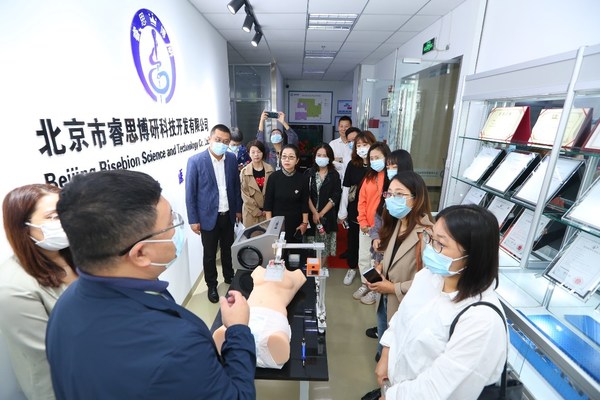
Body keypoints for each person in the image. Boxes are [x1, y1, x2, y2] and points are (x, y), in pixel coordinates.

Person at [46, 170, 256, 399]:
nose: (176, 229)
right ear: (141, 253)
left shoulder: (64, 307)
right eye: (170, 224)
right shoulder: (177, 345)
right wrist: (237, 330)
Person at [375, 204, 507, 399]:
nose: (429, 249)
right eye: (431, 238)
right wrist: (386, 353)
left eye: (441, 244)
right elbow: (401, 318)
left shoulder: (482, 320)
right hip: (396, 386)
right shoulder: (428, 277)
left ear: (473, 256)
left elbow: (440, 388)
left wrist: (392, 396)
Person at [0, 184, 76, 400]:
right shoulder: (13, 287)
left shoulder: (78, 255)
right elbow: (45, 360)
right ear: (23, 228)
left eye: (65, 212)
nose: (64, 221)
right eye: (53, 216)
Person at [367, 171, 434, 362]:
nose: (391, 199)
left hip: (403, 303)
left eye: (399, 194)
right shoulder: (397, 223)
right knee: (384, 342)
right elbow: (395, 256)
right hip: (385, 301)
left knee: (397, 352)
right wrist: (381, 268)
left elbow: (430, 282)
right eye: (389, 193)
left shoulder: (427, 235)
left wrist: (393, 288)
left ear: (416, 198)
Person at [186, 124, 243, 303]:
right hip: (207, 216)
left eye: (226, 142)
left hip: (228, 213)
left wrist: (238, 209)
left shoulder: (231, 158)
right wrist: (193, 219)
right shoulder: (196, 161)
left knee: (228, 248)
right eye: (218, 140)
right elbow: (190, 193)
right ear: (209, 139)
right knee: (210, 254)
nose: (222, 144)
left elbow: (235, 186)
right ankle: (211, 285)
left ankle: (229, 276)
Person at [365, 149, 416, 340]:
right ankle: (382, 332)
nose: (390, 170)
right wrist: (375, 237)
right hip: (383, 252)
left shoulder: (410, 201)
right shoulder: (389, 191)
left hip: (399, 271)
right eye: (388, 166)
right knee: (383, 305)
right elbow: (378, 218)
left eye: (394, 166)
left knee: (395, 316)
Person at [213, 265, 306, 369]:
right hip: (248, 313)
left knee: (278, 338)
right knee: (229, 329)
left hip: (274, 318)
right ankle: (227, 338)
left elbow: (302, 278)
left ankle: (276, 345)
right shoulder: (259, 270)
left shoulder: (295, 274)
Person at [354, 142, 391, 305]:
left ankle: (376, 289)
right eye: (372, 158)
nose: (374, 161)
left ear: (386, 157)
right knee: (363, 257)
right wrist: (362, 221)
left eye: (378, 157)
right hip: (365, 226)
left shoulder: (391, 178)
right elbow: (361, 200)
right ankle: (365, 284)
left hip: (382, 228)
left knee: (377, 260)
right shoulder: (368, 176)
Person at [338, 130, 376, 286]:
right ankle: (352, 268)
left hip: (373, 214)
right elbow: (346, 189)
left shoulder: (377, 166)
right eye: (358, 145)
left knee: (371, 248)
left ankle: (369, 278)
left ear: (373, 145)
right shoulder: (353, 165)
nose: (361, 148)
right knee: (353, 242)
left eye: (365, 144)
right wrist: (343, 211)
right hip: (356, 211)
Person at [305, 143, 342, 268]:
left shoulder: (334, 175)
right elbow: (306, 195)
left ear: (330, 157)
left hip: (327, 215)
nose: (321, 158)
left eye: (324, 155)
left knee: (325, 245)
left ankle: (321, 269)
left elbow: (336, 195)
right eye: (319, 155)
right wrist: (315, 213)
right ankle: (312, 271)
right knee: (311, 245)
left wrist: (321, 213)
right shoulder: (309, 173)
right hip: (310, 215)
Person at [264, 144, 310, 243]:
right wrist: (270, 225)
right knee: (278, 251)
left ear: (297, 160)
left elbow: (304, 203)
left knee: (295, 251)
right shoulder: (273, 177)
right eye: (284, 156)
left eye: (291, 157)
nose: (287, 160)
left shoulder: (302, 179)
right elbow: (268, 203)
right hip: (277, 224)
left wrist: (305, 223)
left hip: (296, 224)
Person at [240, 139, 274, 227]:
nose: (256, 155)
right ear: (249, 153)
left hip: (267, 213)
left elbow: (273, 192)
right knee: (252, 235)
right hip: (251, 213)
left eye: (259, 152)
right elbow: (244, 194)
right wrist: (256, 211)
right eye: (253, 152)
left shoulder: (270, 170)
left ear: (263, 153)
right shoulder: (244, 172)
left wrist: (267, 209)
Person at [329, 116, 353, 181]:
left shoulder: (355, 144)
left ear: (351, 127)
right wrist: (345, 160)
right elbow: (330, 159)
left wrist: (337, 159)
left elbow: (355, 161)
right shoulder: (332, 144)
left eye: (346, 126)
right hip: (335, 179)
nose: (343, 129)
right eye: (341, 126)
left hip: (351, 179)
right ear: (338, 127)